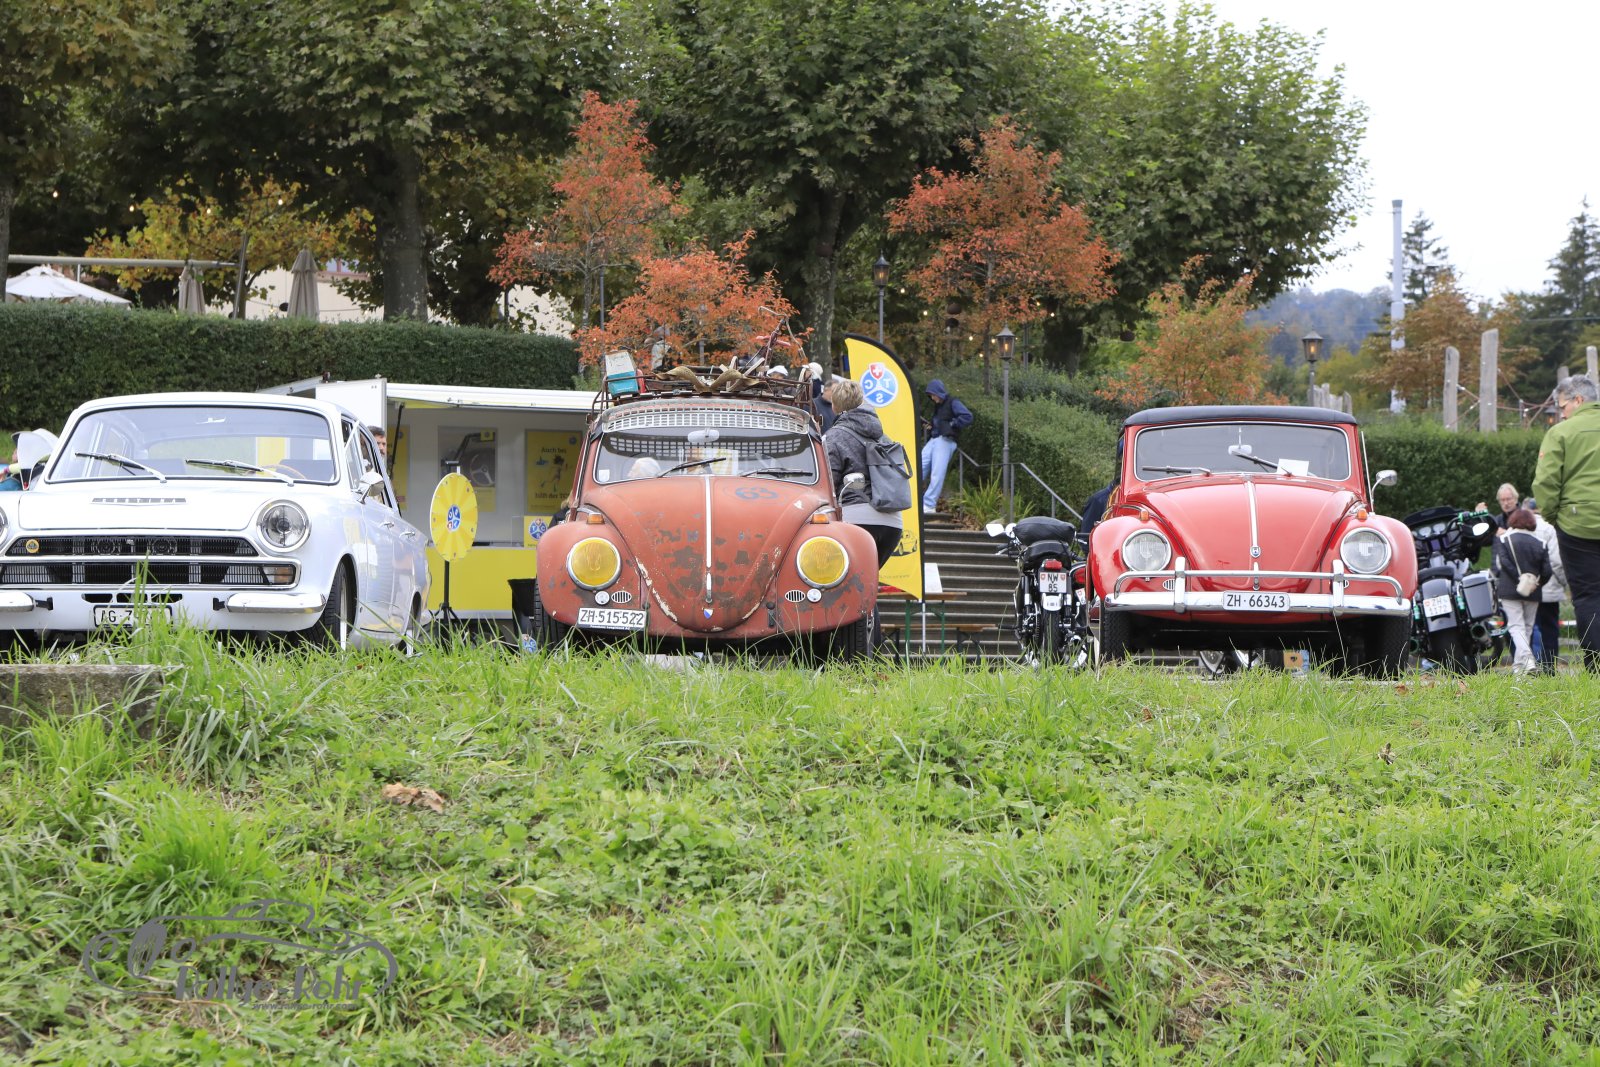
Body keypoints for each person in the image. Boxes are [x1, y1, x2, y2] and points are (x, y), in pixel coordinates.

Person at [1532, 373, 1600, 671]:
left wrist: (1552, 517)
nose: (1561, 413)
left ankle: (1596, 667)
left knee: (1587, 596)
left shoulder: (1560, 433)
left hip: (1577, 525)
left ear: (1578, 400)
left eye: (1562, 406)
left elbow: (1546, 483)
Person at [822, 379, 903, 569]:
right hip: (893, 523)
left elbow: (828, 484)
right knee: (868, 581)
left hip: (855, 519)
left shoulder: (833, 437)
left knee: (843, 581)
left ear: (834, 406)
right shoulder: (883, 437)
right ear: (860, 402)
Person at [1492, 508, 1553, 673]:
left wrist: (1519, 579)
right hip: (1533, 592)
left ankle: (1527, 661)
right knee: (1527, 627)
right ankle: (1520, 670)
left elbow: (1503, 563)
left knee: (1515, 627)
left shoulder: (1504, 539)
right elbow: (1547, 571)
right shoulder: (1540, 543)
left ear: (1513, 521)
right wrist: (1536, 583)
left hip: (1509, 590)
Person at [1523, 496, 1567, 672]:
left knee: (1529, 628)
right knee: (1550, 629)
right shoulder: (1550, 528)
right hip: (1550, 589)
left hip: (1526, 588)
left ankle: (1531, 666)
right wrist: (1565, 583)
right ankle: (1549, 668)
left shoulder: (1519, 528)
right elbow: (1556, 561)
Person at [920, 379, 972, 515]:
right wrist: (933, 426)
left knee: (937, 473)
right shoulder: (939, 405)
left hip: (946, 441)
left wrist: (952, 424)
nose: (932, 398)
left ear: (938, 392)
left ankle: (928, 505)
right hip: (935, 439)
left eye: (933, 395)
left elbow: (967, 416)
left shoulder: (953, 402)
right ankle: (914, 500)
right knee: (917, 468)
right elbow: (941, 422)